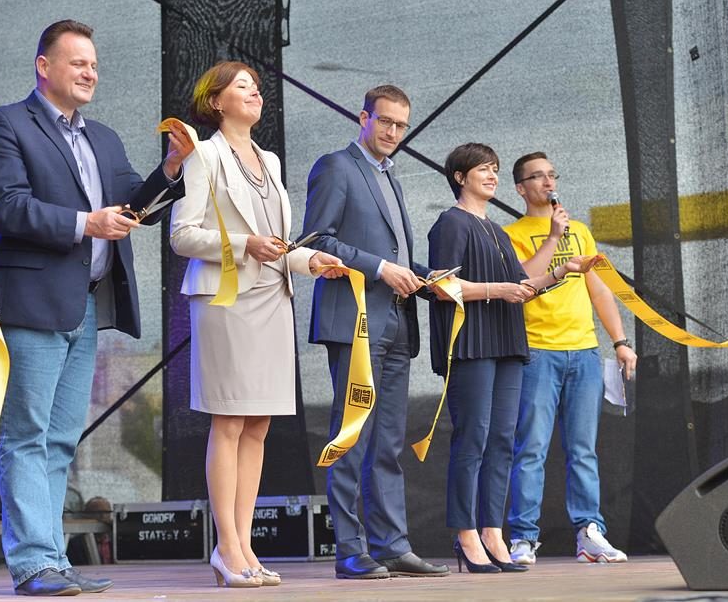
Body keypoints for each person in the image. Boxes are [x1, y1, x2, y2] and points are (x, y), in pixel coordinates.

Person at [0, 19, 191, 596]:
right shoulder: (4, 123)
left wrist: (170, 168)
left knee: (62, 439)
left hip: (85, 305)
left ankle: (54, 561)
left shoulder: (105, 138)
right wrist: (84, 223)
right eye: (78, 63)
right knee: (26, 434)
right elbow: (8, 207)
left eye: (94, 64)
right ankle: (33, 564)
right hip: (30, 302)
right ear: (44, 66)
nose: (91, 73)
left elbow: (136, 207)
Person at [170, 61, 345, 588]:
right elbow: (183, 235)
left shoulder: (268, 159)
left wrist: (308, 261)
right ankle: (227, 546)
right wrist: (245, 244)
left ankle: (245, 545)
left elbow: (277, 242)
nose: (255, 94)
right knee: (228, 421)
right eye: (242, 87)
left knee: (259, 425)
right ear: (216, 101)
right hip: (226, 299)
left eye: (257, 88)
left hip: (273, 297)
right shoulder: (203, 154)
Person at [301, 85, 449, 580]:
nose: (393, 132)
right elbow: (316, 241)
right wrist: (382, 268)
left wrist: (428, 278)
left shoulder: (391, 176)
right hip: (355, 320)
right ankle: (349, 548)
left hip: (398, 321)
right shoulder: (336, 166)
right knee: (351, 436)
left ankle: (392, 545)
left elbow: (397, 258)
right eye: (384, 121)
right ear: (363, 118)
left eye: (401, 125)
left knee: (387, 442)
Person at [428, 143, 592, 575]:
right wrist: (498, 290)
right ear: (460, 177)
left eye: (495, 169)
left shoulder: (498, 232)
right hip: (471, 342)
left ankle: (492, 530)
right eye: (483, 168)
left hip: (507, 342)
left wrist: (562, 269)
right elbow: (440, 286)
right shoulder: (451, 223)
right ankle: (465, 533)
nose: (492, 175)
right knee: (473, 437)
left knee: (502, 440)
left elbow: (523, 284)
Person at [504, 151, 635, 565]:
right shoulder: (510, 234)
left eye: (551, 175)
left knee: (583, 449)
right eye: (537, 177)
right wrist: (552, 238)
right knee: (531, 448)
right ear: (520, 188)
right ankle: (523, 537)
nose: (548, 182)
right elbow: (522, 282)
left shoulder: (580, 231)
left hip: (583, 351)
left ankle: (589, 532)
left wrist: (619, 341)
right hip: (537, 350)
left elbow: (598, 288)